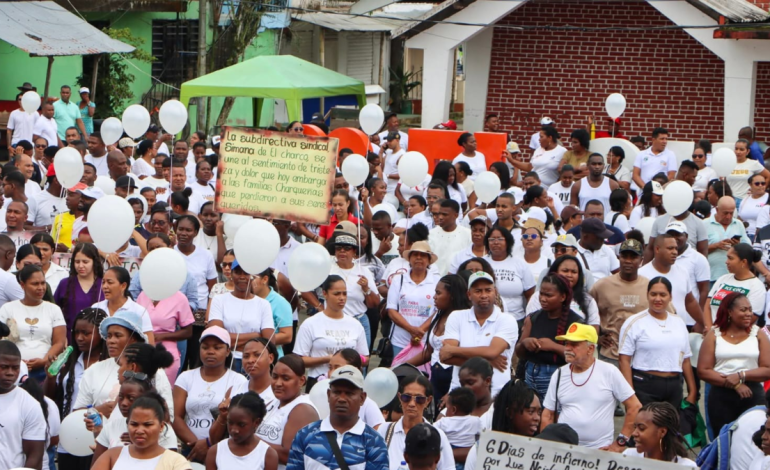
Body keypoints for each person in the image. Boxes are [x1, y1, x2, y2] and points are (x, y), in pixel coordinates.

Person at [540, 322, 642, 450]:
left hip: (599, 452)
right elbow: (547, 415)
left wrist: (620, 444)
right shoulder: (559, 374)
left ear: (590, 349)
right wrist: (545, 448)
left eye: (574, 344)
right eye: (566, 343)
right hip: (564, 451)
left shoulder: (609, 372)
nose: (567, 348)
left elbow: (635, 406)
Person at [287, 365, 387, 470]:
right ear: (328, 395)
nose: (342, 399)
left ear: (362, 398)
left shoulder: (374, 443)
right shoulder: (305, 435)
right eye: (337, 392)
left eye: (349, 393)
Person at [698, 292, 770, 437]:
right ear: (730, 312)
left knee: (753, 440)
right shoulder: (715, 334)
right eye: (743, 310)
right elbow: (703, 370)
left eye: (750, 309)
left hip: (752, 394)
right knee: (724, 441)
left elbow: (767, 369)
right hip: (721, 395)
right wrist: (734, 384)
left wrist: (741, 375)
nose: (749, 313)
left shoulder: (758, 334)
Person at [618, 277, 697, 409]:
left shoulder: (678, 322)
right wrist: (630, 396)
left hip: (674, 386)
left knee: (671, 428)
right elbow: (624, 360)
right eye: (653, 294)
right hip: (644, 385)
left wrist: (692, 391)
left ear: (670, 297)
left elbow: (686, 359)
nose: (658, 299)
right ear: (647, 295)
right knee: (645, 427)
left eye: (663, 295)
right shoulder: (634, 322)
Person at [173, 326, 247, 462]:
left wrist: (208, 445)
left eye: (217, 347)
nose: (210, 352)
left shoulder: (238, 380)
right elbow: (176, 417)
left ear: (227, 351)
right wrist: (197, 445)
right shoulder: (186, 377)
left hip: (224, 449)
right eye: (205, 347)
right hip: (191, 449)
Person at [46, 308, 108, 469]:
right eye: (76, 332)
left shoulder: (111, 366)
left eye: (86, 333)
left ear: (102, 334)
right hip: (69, 436)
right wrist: (50, 378)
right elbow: (50, 397)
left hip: (98, 438)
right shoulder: (70, 362)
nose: (80, 338)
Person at [441, 272, 519, 396]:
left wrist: (454, 349)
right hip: (460, 393)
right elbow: (446, 357)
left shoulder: (507, 319)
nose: (483, 295)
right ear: (469, 294)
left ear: (495, 292)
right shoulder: (456, 316)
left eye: (488, 290)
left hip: (496, 395)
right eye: (478, 291)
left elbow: (492, 351)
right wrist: (487, 362)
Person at [517, 274, 585, 399]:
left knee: (552, 416)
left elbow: (580, 357)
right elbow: (519, 352)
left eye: (548, 295)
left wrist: (552, 346)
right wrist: (526, 343)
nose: (543, 299)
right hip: (530, 373)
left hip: (557, 376)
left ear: (563, 297)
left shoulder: (575, 322)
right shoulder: (533, 318)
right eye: (541, 294)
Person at [294, 275, 369, 387]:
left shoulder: (355, 324)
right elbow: (299, 360)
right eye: (336, 294)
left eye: (344, 293)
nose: (342, 298)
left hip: (348, 383)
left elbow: (365, 358)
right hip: (318, 381)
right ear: (325, 294)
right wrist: (327, 359)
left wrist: (348, 361)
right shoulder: (310, 323)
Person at [91, 392, 191, 470]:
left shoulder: (176, 462)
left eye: (147, 425)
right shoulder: (112, 456)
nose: (139, 430)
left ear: (161, 426)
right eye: (134, 424)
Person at [0, 265, 66, 383]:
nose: (40, 288)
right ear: (22, 285)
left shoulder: (53, 309)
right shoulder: (8, 309)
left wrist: (44, 361)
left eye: (43, 283)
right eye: (35, 284)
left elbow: (59, 342)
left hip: (45, 370)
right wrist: (17, 363)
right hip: (13, 370)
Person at [207, 259, 275, 373]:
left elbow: (269, 341)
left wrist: (230, 341)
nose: (242, 276)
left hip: (253, 364)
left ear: (252, 276)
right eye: (238, 272)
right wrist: (255, 336)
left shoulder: (263, 304)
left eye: (246, 273)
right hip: (226, 361)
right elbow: (216, 338)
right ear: (232, 275)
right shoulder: (219, 300)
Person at [209, 338, 279, 446]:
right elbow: (214, 440)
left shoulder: (279, 392)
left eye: (257, 355)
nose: (251, 360)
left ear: (270, 358)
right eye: (246, 356)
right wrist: (222, 416)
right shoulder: (234, 390)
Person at [91, 375, 177, 461]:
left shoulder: (165, 431)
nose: (124, 403)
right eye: (121, 397)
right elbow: (98, 464)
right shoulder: (110, 427)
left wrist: (141, 445)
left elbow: (169, 464)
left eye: (131, 398)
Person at [379, 375, 455, 470]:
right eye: (406, 397)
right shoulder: (385, 431)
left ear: (428, 401)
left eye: (419, 399)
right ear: (400, 397)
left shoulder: (438, 436)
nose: (411, 404)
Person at [258, 355, 319, 470]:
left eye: (285, 378)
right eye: (275, 377)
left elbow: (288, 455)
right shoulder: (272, 402)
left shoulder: (302, 409)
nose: (278, 383)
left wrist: (250, 441)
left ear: (302, 381)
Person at [175, 215, 217, 368]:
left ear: (195, 233)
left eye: (188, 230)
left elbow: (213, 287)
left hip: (198, 314)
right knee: (178, 358)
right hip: (174, 313)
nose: (184, 233)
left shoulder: (205, 255)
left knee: (195, 358)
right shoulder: (169, 254)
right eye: (180, 229)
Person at [638, 234, 703, 328]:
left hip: (679, 330)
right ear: (657, 249)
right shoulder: (641, 274)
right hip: (650, 331)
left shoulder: (683, 272)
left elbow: (690, 302)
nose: (675, 252)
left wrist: (704, 324)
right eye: (670, 248)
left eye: (676, 248)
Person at [386, 241, 439, 357]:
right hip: (400, 340)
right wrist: (411, 329)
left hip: (426, 340)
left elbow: (438, 311)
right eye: (415, 255)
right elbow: (391, 310)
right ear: (409, 259)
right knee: (399, 372)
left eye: (423, 255)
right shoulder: (398, 280)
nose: (419, 258)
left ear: (429, 260)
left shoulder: (437, 281)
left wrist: (419, 332)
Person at [0, 340, 46, 470]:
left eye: (15, 368)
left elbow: (35, 457)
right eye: (4, 367)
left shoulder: (30, 405)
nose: (10, 373)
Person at [208, 391, 279, 470]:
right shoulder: (215, 451)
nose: (234, 430)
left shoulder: (268, 455)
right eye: (230, 422)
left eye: (241, 425)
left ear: (256, 422)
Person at [527, 255, 599, 326]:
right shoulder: (537, 296)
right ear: (555, 272)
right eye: (565, 271)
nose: (569, 275)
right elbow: (529, 323)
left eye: (574, 272)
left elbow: (594, 330)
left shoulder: (587, 300)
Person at [483, 226, 535, 321]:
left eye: (500, 239)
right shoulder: (481, 263)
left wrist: (529, 320)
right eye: (492, 239)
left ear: (508, 242)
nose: (496, 242)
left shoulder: (520, 264)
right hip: (487, 319)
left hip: (516, 318)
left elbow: (530, 295)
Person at [707, 243, 765, 328]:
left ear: (743, 262)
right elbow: (707, 305)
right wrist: (709, 329)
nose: (726, 262)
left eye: (730, 258)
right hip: (712, 332)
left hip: (735, 336)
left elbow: (750, 317)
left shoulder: (756, 286)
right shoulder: (723, 279)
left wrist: (722, 334)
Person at [623, 402, 698, 466]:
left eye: (642, 428)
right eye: (635, 427)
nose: (634, 433)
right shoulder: (628, 456)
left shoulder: (685, 466)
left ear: (662, 432)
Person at [91, 267, 155, 343]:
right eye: (103, 282)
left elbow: (149, 344)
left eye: (110, 282)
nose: (105, 286)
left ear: (123, 286)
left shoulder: (139, 311)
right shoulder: (96, 308)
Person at [707, 196, 751, 282]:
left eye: (731, 213)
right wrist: (716, 246)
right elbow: (697, 251)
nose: (728, 216)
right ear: (717, 210)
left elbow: (748, 249)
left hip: (735, 277)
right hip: (711, 275)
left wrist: (738, 246)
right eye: (725, 213)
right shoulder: (704, 224)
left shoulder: (738, 224)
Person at [429, 200, 471, 275]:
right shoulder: (430, 234)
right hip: (434, 279)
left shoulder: (468, 234)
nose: (440, 217)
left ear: (456, 215)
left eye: (445, 214)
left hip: (458, 280)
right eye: (439, 214)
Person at [727, 139, 770, 207]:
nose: (738, 152)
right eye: (736, 149)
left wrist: (759, 190)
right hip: (730, 200)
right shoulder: (728, 164)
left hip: (746, 200)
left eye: (741, 149)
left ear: (747, 151)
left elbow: (768, 176)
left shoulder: (753, 164)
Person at [740, 174, 770, 240]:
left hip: (762, 236)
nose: (760, 186)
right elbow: (740, 218)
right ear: (750, 185)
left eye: (763, 183)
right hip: (744, 235)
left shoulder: (768, 199)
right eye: (757, 184)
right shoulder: (745, 200)